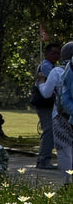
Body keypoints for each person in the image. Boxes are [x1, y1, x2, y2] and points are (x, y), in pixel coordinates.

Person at [39, 41, 73, 184]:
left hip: (60, 117)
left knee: (64, 150)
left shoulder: (57, 71)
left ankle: (68, 182)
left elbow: (46, 93)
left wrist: (41, 82)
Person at [34, 43, 62, 169]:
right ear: (46, 53)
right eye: (53, 53)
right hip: (44, 103)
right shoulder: (46, 67)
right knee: (49, 130)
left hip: (50, 103)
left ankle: (45, 158)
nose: (56, 55)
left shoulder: (53, 67)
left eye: (58, 53)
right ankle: (43, 160)